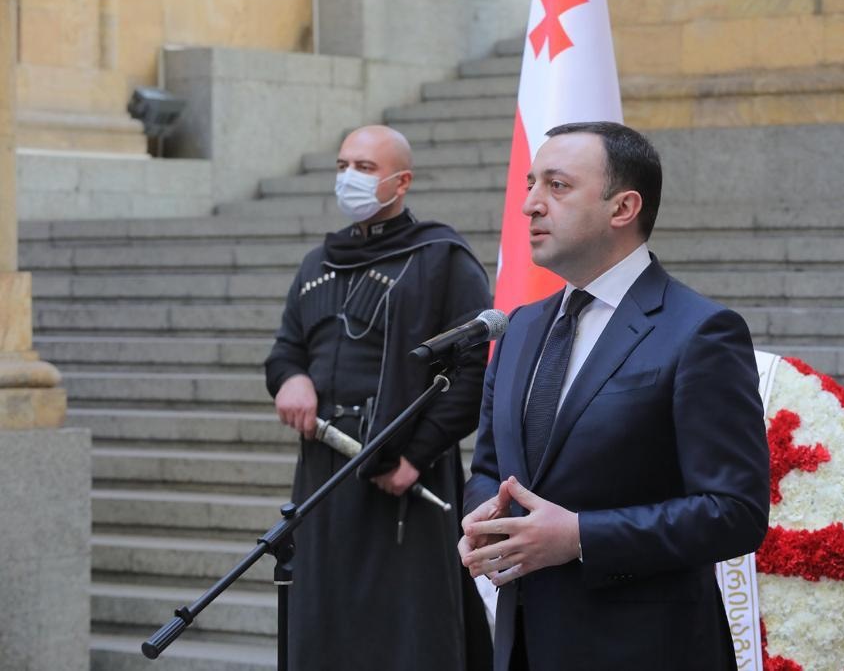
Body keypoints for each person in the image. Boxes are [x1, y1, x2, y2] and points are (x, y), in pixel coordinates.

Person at [459, 121, 770, 671]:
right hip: (524, 644)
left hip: (644, 648)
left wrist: (580, 537)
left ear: (623, 208)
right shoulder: (519, 327)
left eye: (557, 186)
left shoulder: (699, 331)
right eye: (530, 184)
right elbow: (488, 468)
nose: (530, 205)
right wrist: (485, 519)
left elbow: (734, 512)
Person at [265, 125, 492, 671]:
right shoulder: (318, 262)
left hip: (405, 472)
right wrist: (290, 379)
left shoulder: (442, 259)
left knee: (406, 630)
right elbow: (286, 350)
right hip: (323, 472)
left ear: (401, 181)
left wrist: (415, 456)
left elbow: (471, 373)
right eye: (343, 165)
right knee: (326, 618)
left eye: (365, 168)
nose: (350, 177)